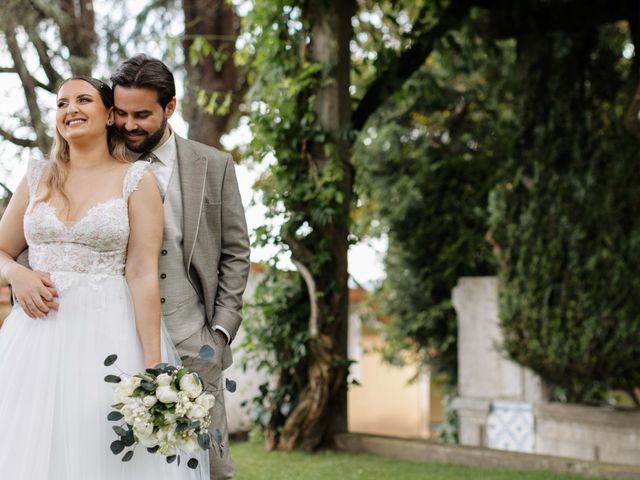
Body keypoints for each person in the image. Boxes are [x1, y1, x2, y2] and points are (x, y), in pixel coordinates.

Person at [0, 77, 208, 479]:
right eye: (62, 103)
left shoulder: (136, 179)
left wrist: (154, 368)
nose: (70, 109)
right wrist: (15, 275)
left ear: (109, 114)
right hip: (35, 335)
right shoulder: (37, 177)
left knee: (99, 447)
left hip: (108, 334)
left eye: (83, 100)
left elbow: (143, 273)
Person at [110, 55, 250, 480]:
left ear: (170, 108)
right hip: (116, 333)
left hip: (195, 337)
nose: (128, 125)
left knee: (214, 465)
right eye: (120, 113)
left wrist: (220, 331)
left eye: (141, 115)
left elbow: (235, 251)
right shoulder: (100, 163)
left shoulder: (214, 164)